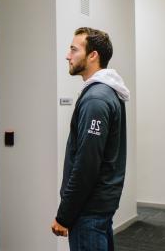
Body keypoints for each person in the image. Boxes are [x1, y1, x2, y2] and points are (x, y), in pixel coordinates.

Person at [51, 27, 130, 251]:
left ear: (93, 55)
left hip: (88, 212)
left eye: (74, 50)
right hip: (97, 208)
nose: (68, 55)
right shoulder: (106, 92)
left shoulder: (96, 99)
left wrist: (64, 215)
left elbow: (86, 164)